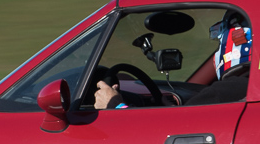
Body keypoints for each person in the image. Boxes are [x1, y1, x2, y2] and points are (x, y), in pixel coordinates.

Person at [93, 11, 251, 109]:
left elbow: (163, 134)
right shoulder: (256, 88)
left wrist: (114, 104)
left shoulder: (228, 92)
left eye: (220, 42)